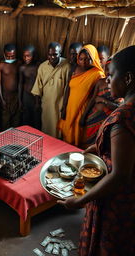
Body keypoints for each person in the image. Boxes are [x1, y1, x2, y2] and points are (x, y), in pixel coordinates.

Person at [58, 45, 135, 256]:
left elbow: (120, 175)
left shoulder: (123, 117)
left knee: (108, 244)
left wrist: (82, 199)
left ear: (128, 78)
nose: (107, 80)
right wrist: (97, 147)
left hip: (116, 201)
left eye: (111, 75)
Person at [58, 44, 105, 147]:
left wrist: (84, 116)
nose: (83, 62)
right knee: (66, 134)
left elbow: (94, 97)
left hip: (82, 110)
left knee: (76, 137)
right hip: (70, 107)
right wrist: (64, 107)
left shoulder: (97, 74)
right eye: (81, 59)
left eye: (87, 59)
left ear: (93, 59)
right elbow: (68, 89)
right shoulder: (74, 69)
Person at [80, 60, 123, 146]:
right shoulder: (100, 82)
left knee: (102, 144)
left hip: (107, 122)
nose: (108, 72)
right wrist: (84, 116)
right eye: (106, 69)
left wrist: (104, 101)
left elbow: (119, 107)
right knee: (88, 144)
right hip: (93, 118)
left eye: (110, 70)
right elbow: (93, 99)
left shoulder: (119, 85)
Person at [31, 42, 70, 137]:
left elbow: (68, 88)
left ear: (60, 53)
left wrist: (65, 106)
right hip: (46, 105)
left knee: (58, 130)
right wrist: (37, 104)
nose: (52, 57)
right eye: (50, 54)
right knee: (46, 128)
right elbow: (38, 87)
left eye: (55, 54)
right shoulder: (42, 67)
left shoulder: (66, 66)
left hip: (59, 105)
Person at [0, 43, 21, 131]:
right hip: (5, 97)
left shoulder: (18, 63)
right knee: (5, 123)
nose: (10, 58)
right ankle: (5, 142)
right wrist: (1, 99)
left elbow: (20, 82)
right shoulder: (1, 65)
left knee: (16, 123)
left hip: (16, 97)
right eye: (8, 56)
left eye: (12, 56)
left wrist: (19, 98)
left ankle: (15, 143)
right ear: (4, 54)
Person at [18, 45, 41, 129]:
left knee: (36, 121)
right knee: (26, 120)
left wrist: (37, 101)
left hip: (36, 97)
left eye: (28, 56)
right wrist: (20, 101)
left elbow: (40, 84)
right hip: (26, 96)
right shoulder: (22, 68)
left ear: (33, 55)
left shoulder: (39, 67)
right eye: (24, 56)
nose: (26, 58)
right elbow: (20, 84)